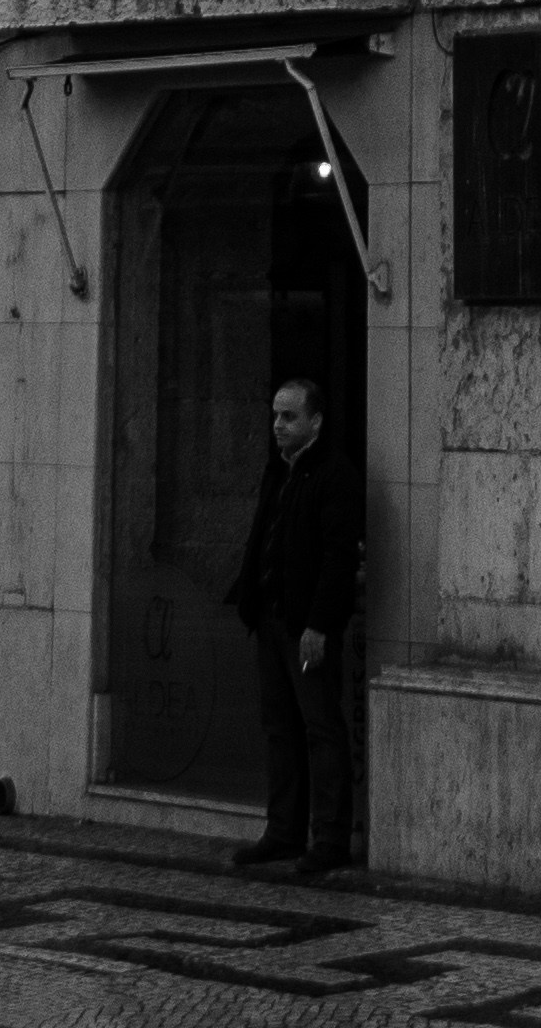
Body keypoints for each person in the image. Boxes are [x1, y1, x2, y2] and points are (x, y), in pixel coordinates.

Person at [224, 371, 361, 879]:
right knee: (279, 729)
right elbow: (264, 536)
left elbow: (336, 558)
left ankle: (329, 838)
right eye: (275, 415)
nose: (277, 425)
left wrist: (319, 625)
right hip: (271, 618)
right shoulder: (277, 472)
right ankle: (283, 831)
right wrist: (250, 600)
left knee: (320, 728)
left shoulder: (335, 476)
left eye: (289, 416)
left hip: (306, 626)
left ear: (316, 421)